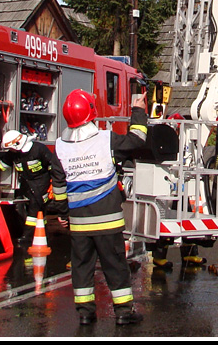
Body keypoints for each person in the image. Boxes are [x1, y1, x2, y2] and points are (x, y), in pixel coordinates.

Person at [55, 88, 148, 326]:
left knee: (82, 267)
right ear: (91, 113)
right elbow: (137, 141)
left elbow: (59, 186)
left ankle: (85, 313)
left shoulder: (60, 147)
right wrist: (138, 111)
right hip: (107, 220)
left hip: (78, 223)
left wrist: (63, 213)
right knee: (115, 265)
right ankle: (124, 313)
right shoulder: (106, 139)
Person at [0, 129, 68, 243]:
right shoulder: (14, 154)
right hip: (26, 185)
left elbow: (53, 167)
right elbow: (2, 165)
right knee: (33, 211)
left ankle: (27, 237)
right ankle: (44, 234)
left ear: (17, 144)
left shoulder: (38, 149)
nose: (10, 151)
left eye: (11, 148)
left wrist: (52, 184)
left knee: (34, 210)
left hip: (42, 184)